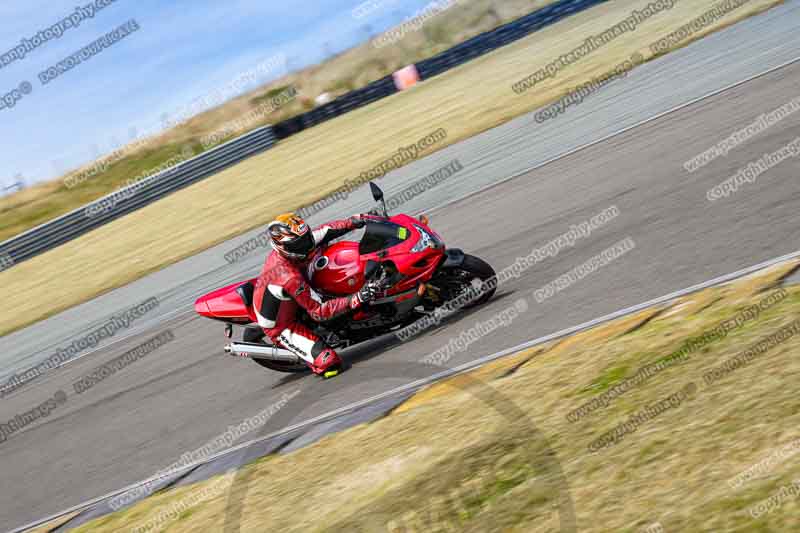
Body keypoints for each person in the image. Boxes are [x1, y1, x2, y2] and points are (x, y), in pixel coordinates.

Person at [251, 212, 380, 378]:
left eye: (306, 237)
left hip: (298, 293)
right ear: (283, 247)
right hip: (282, 325)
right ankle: (312, 358)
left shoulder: (301, 243)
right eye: (299, 243)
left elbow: (327, 230)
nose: (307, 245)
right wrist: (358, 298)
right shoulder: (288, 276)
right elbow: (319, 312)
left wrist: (357, 220)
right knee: (329, 363)